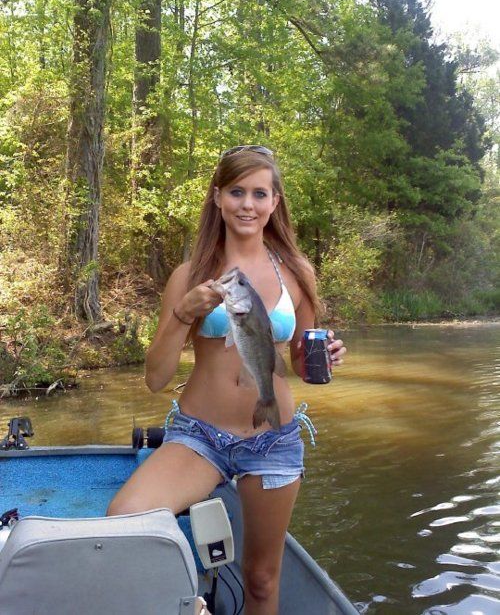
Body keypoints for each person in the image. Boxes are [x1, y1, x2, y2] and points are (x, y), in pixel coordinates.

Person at [107, 145, 346, 614]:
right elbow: (155, 379)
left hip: (274, 438)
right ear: (218, 197)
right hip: (200, 436)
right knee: (125, 520)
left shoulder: (298, 274)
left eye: (259, 193)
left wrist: (326, 356)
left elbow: (301, 364)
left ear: (274, 202)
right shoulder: (190, 276)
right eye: (236, 192)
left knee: (261, 579)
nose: (247, 205)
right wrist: (183, 314)